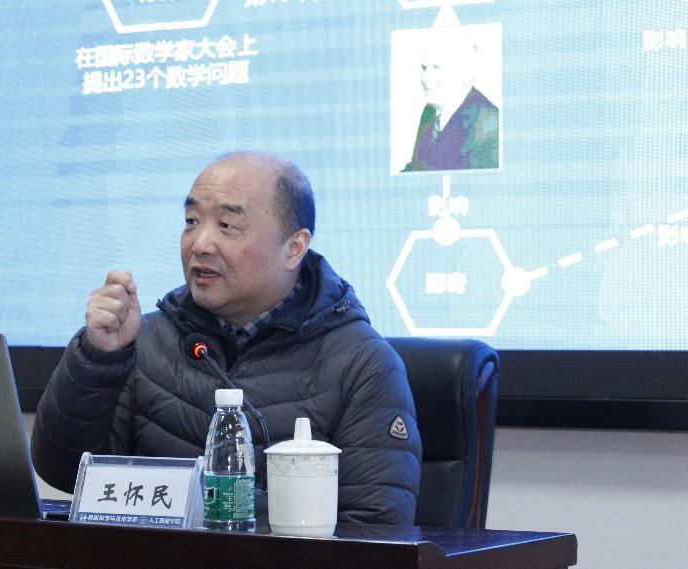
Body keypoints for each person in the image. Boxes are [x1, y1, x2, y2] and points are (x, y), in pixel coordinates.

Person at [32, 151, 422, 525]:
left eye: (226, 226)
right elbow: (65, 472)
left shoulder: (363, 364)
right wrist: (99, 358)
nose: (200, 244)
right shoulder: (145, 340)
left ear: (294, 248)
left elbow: (376, 528)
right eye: (191, 221)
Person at [403, 29, 499, 172]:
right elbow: (416, 168)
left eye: (436, 68)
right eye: (424, 68)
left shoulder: (489, 124)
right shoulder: (429, 112)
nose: (424, 77)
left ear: (464, 75)